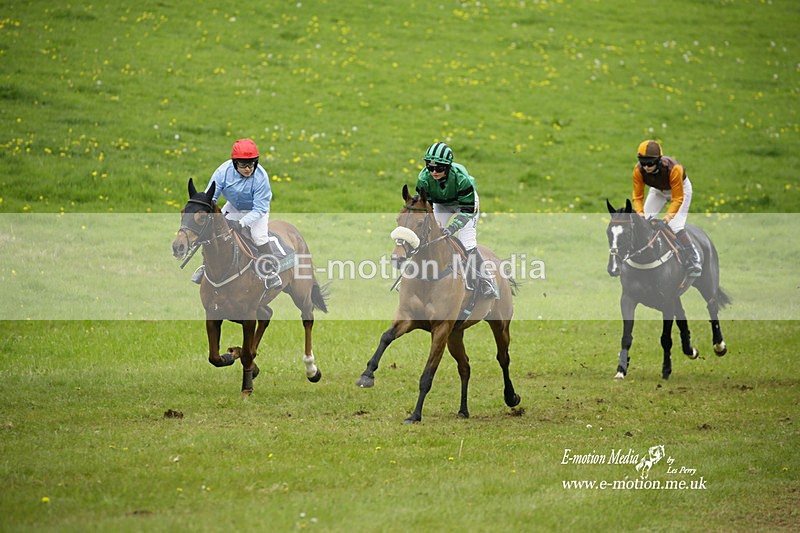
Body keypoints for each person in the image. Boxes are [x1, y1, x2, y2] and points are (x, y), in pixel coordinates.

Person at [193, 138, 280, 287]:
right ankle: (204, 266)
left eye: (251, 164)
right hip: (233, 206)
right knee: (212, 231)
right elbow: (210, 197)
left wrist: (241, 223)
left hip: (256, 210)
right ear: (234, 163)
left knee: (259, 237)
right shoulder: (222, 172)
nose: (248, 169)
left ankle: (271, 272)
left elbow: (259, 209)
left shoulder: (261, 177)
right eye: (243, 165)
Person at [415, 141, 496, 297]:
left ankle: (487, 280)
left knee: (467, 242)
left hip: (464, 205)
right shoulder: (423, 178)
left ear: (448, 166)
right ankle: (416, 275)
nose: (433, 172)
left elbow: (467, 210)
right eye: (430, 167)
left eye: (438, 168)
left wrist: (452, 228)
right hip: (441, 204)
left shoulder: (462, 179)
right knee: (428, 235)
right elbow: (426, 205)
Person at [632, 140, 702, 277]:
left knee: (675, 225)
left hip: (680, 191)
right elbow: (637, 197)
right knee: (642, 221)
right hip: (658, 191)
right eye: (642, 162)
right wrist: (640, 215)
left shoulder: (675, 169)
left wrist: (666, 219)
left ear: (658, 160)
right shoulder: (637, 170)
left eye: (650, 163)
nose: (646, 167)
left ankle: (693, 256)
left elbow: (677, 199)